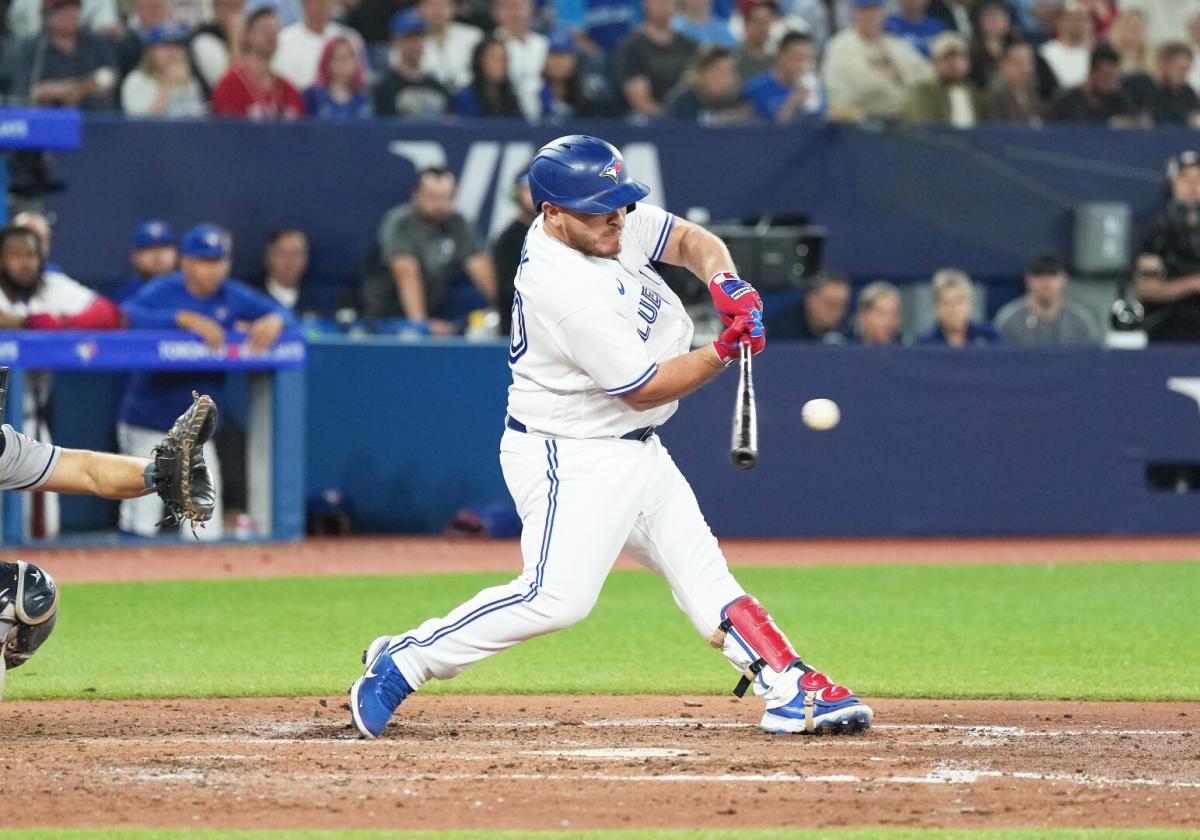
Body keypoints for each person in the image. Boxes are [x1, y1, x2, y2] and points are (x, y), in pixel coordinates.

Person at [348, 134, 873, 741]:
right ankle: (407, 659)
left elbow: (688, 240)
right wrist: (724, 351)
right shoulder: (562, 286)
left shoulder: (603, 218)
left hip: (635, 447)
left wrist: (724, 282)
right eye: (601, 211)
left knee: (704, 576)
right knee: (556, 599)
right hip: (570, 454)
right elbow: (643, 386)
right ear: (551, 214)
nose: (617, 221)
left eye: (620, 205)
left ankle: (789, 684)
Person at [118, 224, 293, 538]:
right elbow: (124, 316)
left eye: (218, 261)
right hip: (149, 420)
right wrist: (183, 319)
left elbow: (284, 313)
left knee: (204, 525)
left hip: (197, 432)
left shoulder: (232, 295)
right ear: (185, 262)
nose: (213, 270)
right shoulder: (165, 291)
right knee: (140, 521)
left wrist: (276, 319)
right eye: (204, 261)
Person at [0, 225, 126, 539]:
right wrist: (33, 324)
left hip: (29, 425)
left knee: (41, 530)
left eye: (30, 255)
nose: (24, 263)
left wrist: (48, 324)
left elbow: (111, 315)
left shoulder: (50, 287)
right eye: (14, 256)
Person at [361, 167, 497, 334]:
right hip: (384, 318)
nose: (439, 204)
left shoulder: (457, 223)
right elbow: (405, 271)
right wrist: (421, 326)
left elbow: (479, 264)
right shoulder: (400, 222)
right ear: (416, 194)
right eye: (432, 197)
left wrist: (504, 312)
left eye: (446, 197)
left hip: (431, 312)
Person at [822, 0, 931, 122]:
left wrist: (898, 74)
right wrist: (900, 83)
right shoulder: (841, 45)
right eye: (864, 11)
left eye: (874, 10)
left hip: (897, 120)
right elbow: (865, 87)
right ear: (854, 14)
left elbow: (927, 76)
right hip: (853, 125)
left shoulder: (895, 44)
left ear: (882, 13)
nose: (870, 16)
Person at [1135, 151, 1200, 343]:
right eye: (1186, 179)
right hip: (1170, 330)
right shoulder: (1156, 231)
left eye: (1199, 179)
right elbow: (1146, 289)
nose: (1193, 186)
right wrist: (1193, 284)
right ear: (1173, 183)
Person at [9, 0, 119, 110]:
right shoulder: (35, 48)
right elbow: (22, 91)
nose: (70, 14)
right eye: (62, 10)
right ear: (47, 15)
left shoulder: (95, 42)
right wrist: (49, 91)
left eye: (74, 9)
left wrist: (80, 88)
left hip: (93, 117)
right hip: (48, 117)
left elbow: (110, 76)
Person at [212, 8, 305, 118]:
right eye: (264, 29)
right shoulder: (230, 85)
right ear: (248, 35)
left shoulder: (288, 90)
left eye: (275, 30)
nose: (271, 35)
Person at [993, 251, 1101, 345]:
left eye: (1052, 274)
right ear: (1028, 279)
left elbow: (1094, 359)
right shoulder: (1009, 320)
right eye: (1039, 274)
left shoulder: (1081, 321)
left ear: (1064, 279)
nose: (1046, 281)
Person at [615, 0, 699, 118]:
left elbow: (700, 87)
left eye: (671, 3)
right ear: (646, 5)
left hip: (691, 118)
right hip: (651, 123)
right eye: (660, 2)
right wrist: (669, 118)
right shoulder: (632, 47)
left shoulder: (690, 46)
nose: (666, 7)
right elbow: (640, 100)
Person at [373, 10, 453, 118]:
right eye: (408, 38)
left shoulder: (438, 87)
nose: (415, 44)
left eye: (419, 37)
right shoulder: (384, 89)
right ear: (395, 41)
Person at [271, 0, 366, 91]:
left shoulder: (349, 38)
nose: (322, 5)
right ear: (304, 4)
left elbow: (360, 80)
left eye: (326, 1)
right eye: (317, 1)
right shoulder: (283, 39)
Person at [120, 22, 207, 117]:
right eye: (165, 46)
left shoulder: (190, 82)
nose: (172, 52)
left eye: (177, 46)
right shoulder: (136, 80)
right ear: (151, 52)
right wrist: (167, 85)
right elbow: (142, 126)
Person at [903, 31, 983, 126]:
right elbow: (922, 128)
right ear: (935, 63)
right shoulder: (923, 92)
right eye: (947, 59)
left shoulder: (975, 92)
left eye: (959, 58)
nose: (954, 64)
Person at [743, 30, 825, 123]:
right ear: (781, 57)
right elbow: (752, 131)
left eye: (808, 59)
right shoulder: (755, 90)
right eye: (797, 58)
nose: (802, 65)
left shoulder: (817, 90)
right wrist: (792, 104)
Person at [1047, 43, 1137, 125]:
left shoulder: (1121, 101)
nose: (1111, 83)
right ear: (1091, 74)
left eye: (1114, 77)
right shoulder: (1065, 102)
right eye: (1105, 77)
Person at [492, 171, 535, 334]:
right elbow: (508, 289)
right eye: (527, 189)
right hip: (519, 325)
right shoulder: (507, 239)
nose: (533, 194)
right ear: (516, 194)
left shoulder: (559, 233)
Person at [916, 268, 1004, 346]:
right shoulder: (924, 344)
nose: (953, 309)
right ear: (936, 307)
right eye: (946, 303)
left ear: (969, 304)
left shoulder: (990, 337)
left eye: (959, 302)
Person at [667, 45, 754, 124]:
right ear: (701, 72)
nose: (722, 77)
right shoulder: (682, 102)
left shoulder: (739, 101)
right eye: (717, 70)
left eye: (728, 71)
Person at [493, 0, 549, 120]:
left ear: (531, 9)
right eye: (509, 8)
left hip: (544, 112)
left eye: (520, 7)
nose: (515, 14)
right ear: (497, 12)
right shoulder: (490, 45)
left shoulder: (543, 44)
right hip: (503, 112)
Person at [537, 26, 608, 120]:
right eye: (553, 55)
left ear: (574, 59)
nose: (558, 62)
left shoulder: (587, 94)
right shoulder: (533, 91)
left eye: (563, 56)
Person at [1124, 42, 1200, 128]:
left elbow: (1194, 117)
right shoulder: (1136, 84)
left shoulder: (1187, 92)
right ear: (1162, 64)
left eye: (1187, 70)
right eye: (1180, 69)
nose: (1184, 75)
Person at [418, 0, 485, 91]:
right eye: (431, 5)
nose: (437, 11)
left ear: (454, 8)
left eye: (443, 5)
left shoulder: (474, 36)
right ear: (419, 8)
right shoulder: (410, 42)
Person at [765, 271, 850, 341]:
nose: (839, 312)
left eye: (842, 305)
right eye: (831, 304)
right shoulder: (783, 333)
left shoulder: (849, 329)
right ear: (811, 301)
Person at [452, 35, 525, 117]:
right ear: (480, 61)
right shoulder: (465, 98)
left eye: (504, 59)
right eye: (494, 58)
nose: (500, 65)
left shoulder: (511, 97)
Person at [254, 228, 319, 316]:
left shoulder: (314, 301)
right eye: (283, 254)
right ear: (268, 258)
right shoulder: (253, 297)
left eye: (296, 254)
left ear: (305, 259)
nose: (290, 262)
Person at [303, 35, 372, 118]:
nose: (341, 64)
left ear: (356, 62)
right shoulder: (311, 96)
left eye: (346, 58)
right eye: (335, 58)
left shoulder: (366, 96)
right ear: (326, 62)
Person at [115, 220, 178, 302]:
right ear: (135, 257)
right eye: (149, 249)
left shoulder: (192, 288)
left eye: (163, 248)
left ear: (175, 253)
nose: (157, 255)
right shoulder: (126, 293)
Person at [190, 0, 245, 92]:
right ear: (216, 9)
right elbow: (230, 87)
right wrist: (234, 38)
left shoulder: (251, 35)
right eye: (231, 8)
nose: (237, 16)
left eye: (239, 8)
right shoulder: (204, 39)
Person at [984, 39, 1044, 124]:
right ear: (1004, 65)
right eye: (1019, 63)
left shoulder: (1034, 97)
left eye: (1029, 62)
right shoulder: (995, 98)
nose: (1026, 69)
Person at [114, 0, 176, 79]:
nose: (154, 13)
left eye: (158, 7)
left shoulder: (174, 36)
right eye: (149, 8)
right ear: (138, 9)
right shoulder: (124, 37)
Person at [1038, 0, 1092, 90]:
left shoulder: (1093, 54)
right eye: (1076, 18)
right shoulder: (1045, 53)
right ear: (1059, 22)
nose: (1082, 24)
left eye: (1086, 19)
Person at [967, 0, 1015, 90]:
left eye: (999, 16)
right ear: (978, 22)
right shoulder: (972, 53)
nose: (995, 22)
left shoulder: (1017, 46)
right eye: (989, 17)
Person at [732, 0, 777, 83]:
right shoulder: (732, 58)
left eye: (766, 22)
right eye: (757, 22)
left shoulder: (775, 61)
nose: (762, 28)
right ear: (745, 24)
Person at [852, 280, 902, 344]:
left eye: (894, 314)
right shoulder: (845, 350)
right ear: (863, 316)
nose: (889, 321)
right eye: (881, 313)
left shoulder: (905, 350)